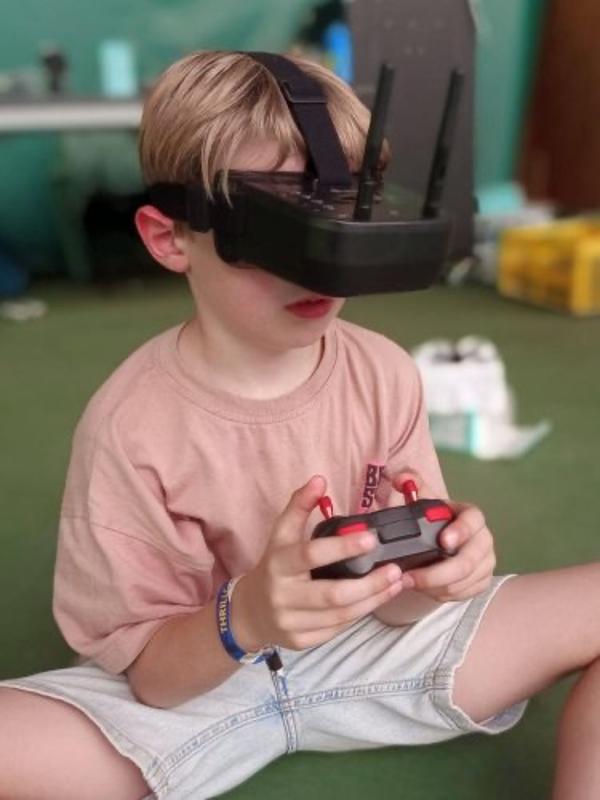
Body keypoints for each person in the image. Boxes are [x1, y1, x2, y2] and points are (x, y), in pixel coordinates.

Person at [0, 51, 598, 800]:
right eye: (277, 228)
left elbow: (401, 602)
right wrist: (247, 616)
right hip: (196, 690)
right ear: (170, 237)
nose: (316, 265)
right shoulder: (130, 427)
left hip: (371, 651)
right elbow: (152, 677)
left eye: (338, 216)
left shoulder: (384, 373)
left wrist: (442, 575)